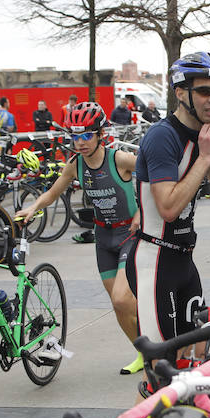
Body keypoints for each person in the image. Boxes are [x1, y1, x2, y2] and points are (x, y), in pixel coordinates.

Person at [126, 51, 210, 377]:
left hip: (184, 262)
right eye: (205, 91)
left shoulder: (207, 132)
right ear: (180, 92)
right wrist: (205, 158)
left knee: (194, 360)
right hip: (155, 264)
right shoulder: (164, 136)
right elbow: (169, 208)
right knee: (161, 373)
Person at [16, 102, 147, 375]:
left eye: (87, 135)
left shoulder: (119, 159)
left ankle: (157, 338)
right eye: (76, 136)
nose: (81, 142)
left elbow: (152, 173)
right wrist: (33, 207)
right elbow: (52, 194)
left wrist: (143, 212)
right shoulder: (75, 165)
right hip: (103, 237)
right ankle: (144, 352)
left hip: (128, 234)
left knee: (124, 300)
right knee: (119, 306)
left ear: (100, 134)